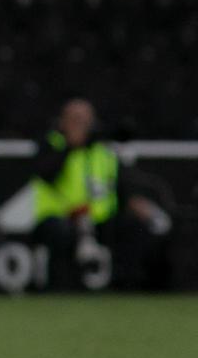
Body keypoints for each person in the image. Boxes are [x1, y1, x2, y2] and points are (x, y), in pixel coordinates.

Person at [32, 97, 172, 289]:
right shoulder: (51, 144)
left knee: (135, 229)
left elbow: (120, 186)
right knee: (61, 233)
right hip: (60, 217)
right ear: (63, 121)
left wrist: (135, 203)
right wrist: (69, 146)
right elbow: (46, 174)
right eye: (76, 119)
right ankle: (61, 287)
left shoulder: (103, 150)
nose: (81, 125)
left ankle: (130, 286)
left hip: (100, 218)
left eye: (85, 120)